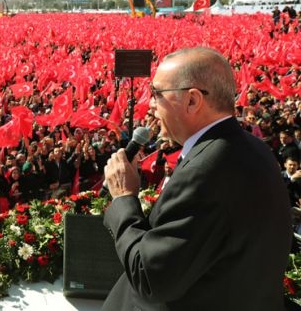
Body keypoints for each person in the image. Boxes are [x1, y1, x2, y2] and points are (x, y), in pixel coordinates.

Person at [102, 47, 291, 310]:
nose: (151, 104)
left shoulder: (206, 169)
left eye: (157, 94)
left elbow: (151, 278)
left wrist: (123, 198)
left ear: (192, 100)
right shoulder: (252, 147)